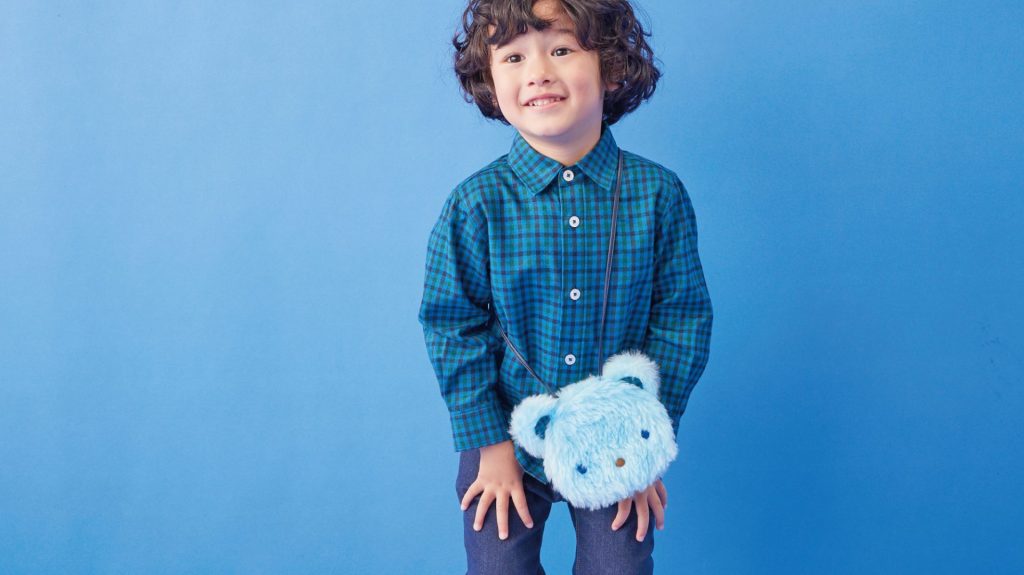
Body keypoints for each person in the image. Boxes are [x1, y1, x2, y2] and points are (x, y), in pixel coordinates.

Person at [417, 0, 713, 572]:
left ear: (611, 67)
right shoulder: (475, 204)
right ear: (491, 81)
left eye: (560, 49)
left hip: (616, 442)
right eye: (514, 57)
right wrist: (490, 444)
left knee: (618, 565)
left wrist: (644, 441)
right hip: (504, 437)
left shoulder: (658, 195)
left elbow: (682, 320)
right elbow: (453, 326)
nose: (538, 73)